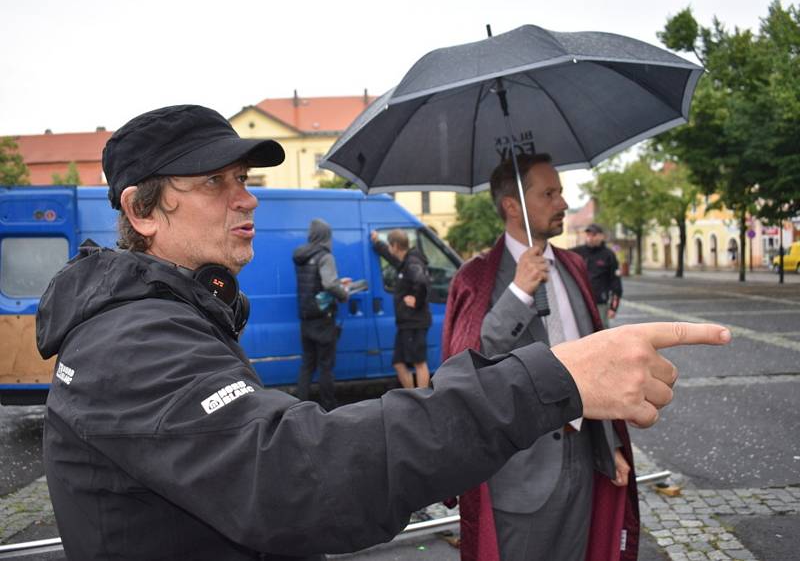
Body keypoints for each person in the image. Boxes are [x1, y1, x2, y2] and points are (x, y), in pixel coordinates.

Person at [36, 104, 729, 561]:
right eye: (216, 181)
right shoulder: (131, 341)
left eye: (243, 177)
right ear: (143, 210)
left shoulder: (174, 312)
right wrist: (554, 380)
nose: (246, 196)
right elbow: (300, 474)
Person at [442, 153, 637, 561]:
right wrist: (518, 294)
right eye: (549, 193)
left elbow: (593, 361)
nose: (562, 203)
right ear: (512, 206)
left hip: (582, 457)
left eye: (561, 193)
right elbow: (466, 365)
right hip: (519, 474)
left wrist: (609, 445)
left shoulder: (573, 266)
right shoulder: (475, 278)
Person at [293, 218, 350, 410]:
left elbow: (314, 283)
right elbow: (329, 284)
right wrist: (343, 294)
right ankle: (329, 406)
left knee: (307, 364)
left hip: (306, 317)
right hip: (323, 319)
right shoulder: (325, 256)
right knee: (325, 366)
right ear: (326, 236)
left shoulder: (302, 256)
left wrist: (338, 281)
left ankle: (300, 406)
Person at [370, 229, 431, 389]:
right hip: (406, 322)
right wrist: (377, 243)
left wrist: (417, 301)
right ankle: (412, 397)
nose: (390, 249)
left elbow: (422, 282)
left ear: (395, 246)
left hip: (415, 322)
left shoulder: (412, 263)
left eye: (390, 245)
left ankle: (422, 400)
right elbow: (390, 256)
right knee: (398, 363)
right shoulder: (405, 262)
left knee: (419, 362)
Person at [572, 223, 623, 328]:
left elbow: (616, 283)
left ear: (601, 236)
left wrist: (613, 308)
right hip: (580, 302)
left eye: (594, 235)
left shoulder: (608, 255)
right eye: (588, 235)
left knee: (601, 332)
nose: (590, 238)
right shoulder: (576, 252)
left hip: (600, 303)